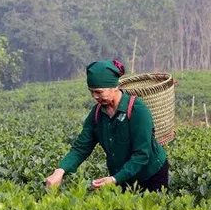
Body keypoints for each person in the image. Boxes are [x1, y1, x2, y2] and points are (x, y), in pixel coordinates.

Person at [46, 60, 169, 192]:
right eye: (91, 92)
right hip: (121, 176)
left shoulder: (137, 111)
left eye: (99, 92)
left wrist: (114, 179)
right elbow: (81, 147)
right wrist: (60, 171)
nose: (94, 96)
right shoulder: (97, 113)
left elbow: (142, 154)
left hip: (150, 175)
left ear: (114, 87)